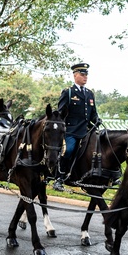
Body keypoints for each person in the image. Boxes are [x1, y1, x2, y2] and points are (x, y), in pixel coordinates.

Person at [53, 62, 100, 191]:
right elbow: (60, 114)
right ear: (75, 75)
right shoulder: (68, 92)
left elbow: (93, 113)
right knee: (68, 150)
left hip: (86, 131)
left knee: (98, 150)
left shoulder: (90, 94)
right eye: (82, 74)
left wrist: (97, 120)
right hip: (71, 131)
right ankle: (59, 178)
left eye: (86, 75)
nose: (85, 77)